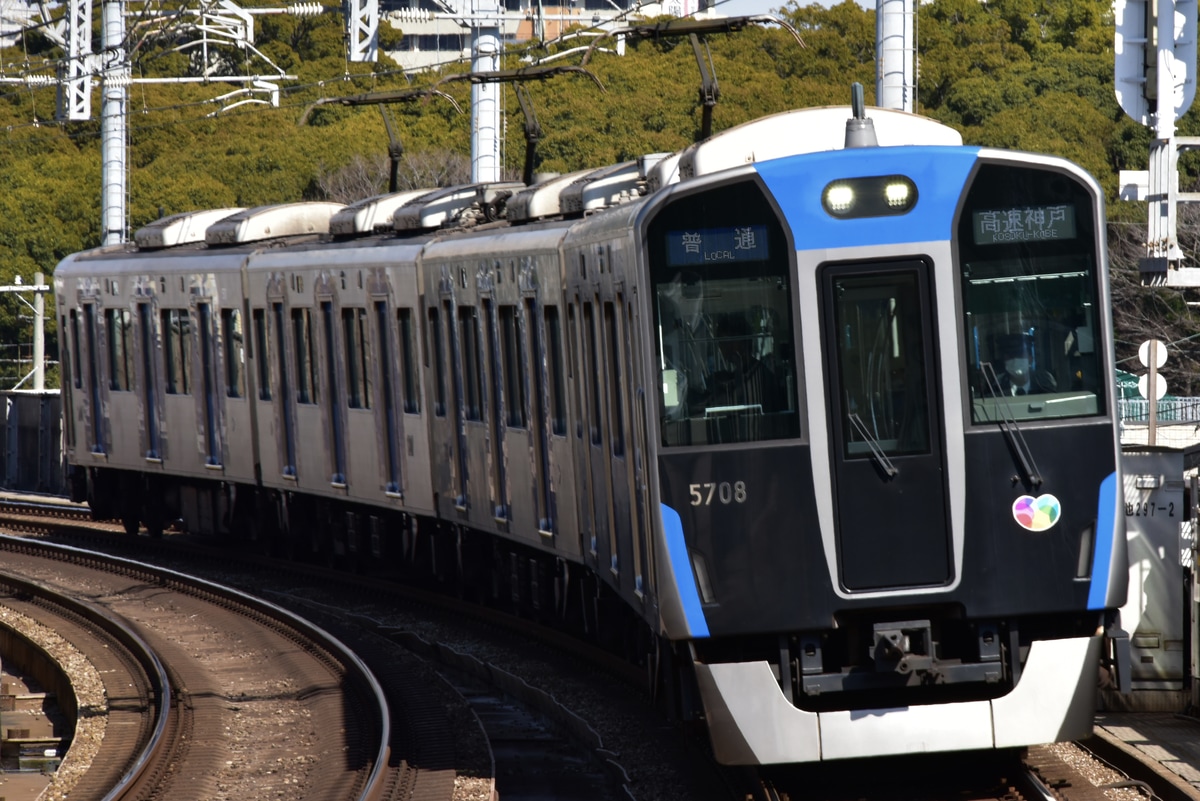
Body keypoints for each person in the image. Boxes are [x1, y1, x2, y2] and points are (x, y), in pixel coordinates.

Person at [706, 312, 788, 414]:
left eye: (727, 341)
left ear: (743, 341)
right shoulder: (739, 375)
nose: (724, 348)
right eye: (722, 343)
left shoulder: (761, 377)